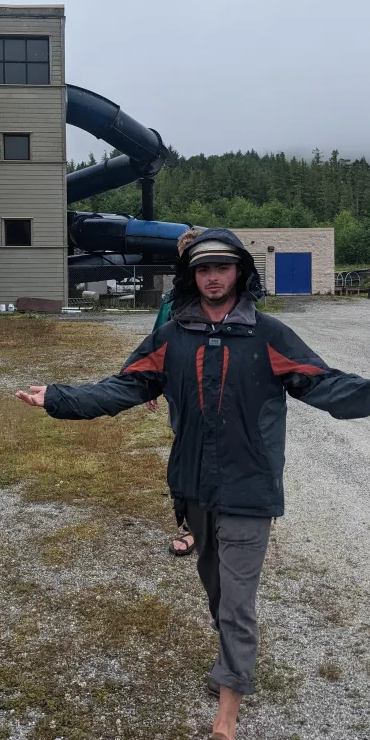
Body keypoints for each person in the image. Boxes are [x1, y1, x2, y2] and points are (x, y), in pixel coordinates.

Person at [16, 228, 370, 740]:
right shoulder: (171, 337)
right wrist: (60, 397)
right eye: (204, 269)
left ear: (240, 272)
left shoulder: (270, 335)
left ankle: (224, 728)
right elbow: (124, 387)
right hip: (194, 487)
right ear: (192, 276)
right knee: (216, 590)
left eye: (223, 267)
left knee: (237, 602)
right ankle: (231, 658)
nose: (213, 277)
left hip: (250, 488)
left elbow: (327, 384)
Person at [146, 226, 205, 557]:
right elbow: (156, 344)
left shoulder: (232, 300)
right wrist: (150, 384)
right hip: (182, 394)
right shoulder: (170, 300)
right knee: (187, 455)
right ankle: (191, 525)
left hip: (225, 394)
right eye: (188, 258)